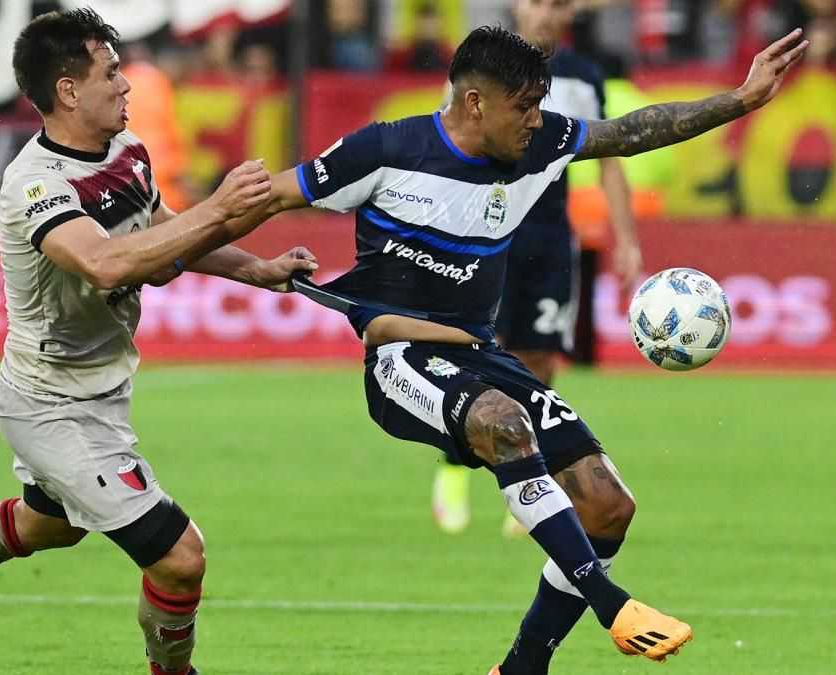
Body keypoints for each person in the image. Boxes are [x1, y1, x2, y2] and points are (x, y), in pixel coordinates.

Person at [239, 24, 807, 673]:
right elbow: (264, 199)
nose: (538, 119)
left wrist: (739, 100)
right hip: (402, 357)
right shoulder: (387, 149)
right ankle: (612, 606)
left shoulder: (542, 146)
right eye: (526, 106)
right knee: (504, 424)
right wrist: (176, 244)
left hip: (482, 355)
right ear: (475, 102)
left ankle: (521, 667)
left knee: (607, 503)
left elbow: (632, 131)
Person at [0, 9, 316, 675]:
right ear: (68, 90)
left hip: (101, 391)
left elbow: (164, 232)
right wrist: (221, 207)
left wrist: (255, 268)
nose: (126, 83)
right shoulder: (36, 185)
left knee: (47, 525)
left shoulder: (128, 152)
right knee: (180, 557)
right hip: (49, 404)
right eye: (110, 73)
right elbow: (106, 263)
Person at [431, 0, 644, 538]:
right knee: (480, 359)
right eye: (537, 2)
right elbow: (446, 147)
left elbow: (609, 159)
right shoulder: (482, 70)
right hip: (489, 234)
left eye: (556, 4)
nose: (546, 14)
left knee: (540, 361)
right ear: (517, 7)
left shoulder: (584, 76)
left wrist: (625, 238)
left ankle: (524, 484)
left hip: (550, 239)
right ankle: (453, 472)